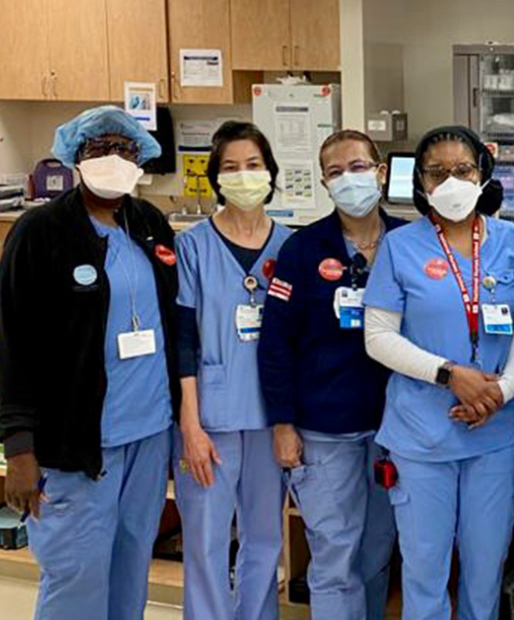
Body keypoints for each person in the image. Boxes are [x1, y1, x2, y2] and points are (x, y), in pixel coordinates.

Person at [0, 106, 178, 620]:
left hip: (146, 436)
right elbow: (17, 344)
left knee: (129, 574)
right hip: (76, 445)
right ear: (74, 159)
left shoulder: (148, 223)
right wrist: (19, 449)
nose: (111, 159)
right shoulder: (40, 232)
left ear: (140, 158)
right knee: (76, 579)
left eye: (123, 149)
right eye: (96, 149)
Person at [363, 126, 514, 620]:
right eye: (438, 172)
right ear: (420, 182)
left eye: (464, 170)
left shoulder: (512, 240)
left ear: (482, 174)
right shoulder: (401, 246)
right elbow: (377, 335)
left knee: (485, 569)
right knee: (425, 570)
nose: (452, 181)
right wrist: (448, 373)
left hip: (495, 431)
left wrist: (505, 388)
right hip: (422, 436)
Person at [258, 130, 403, 620]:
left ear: (380, 172)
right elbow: (275, 342)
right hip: (324, 429)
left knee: (378, 550)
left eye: (359, 167)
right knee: (334, 554)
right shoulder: (303, 249)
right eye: (337, 172)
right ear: (324, 182)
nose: (350, 179)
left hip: (395, 428)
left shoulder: (408, 241)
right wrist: (282, 424)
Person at [174, 121, 293, 620]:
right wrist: (191, 425)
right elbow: (183, 338)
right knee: (205, 541)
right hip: (212, 418)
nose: (244, 176)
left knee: (265, 539)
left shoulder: (290, 246)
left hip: (270, 417)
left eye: (253, 165)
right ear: (215, 178)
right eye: (231, 167)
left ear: (270, 171)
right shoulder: (193, 246)